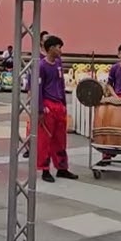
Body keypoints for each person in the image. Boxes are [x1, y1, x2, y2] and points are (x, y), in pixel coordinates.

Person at [37, 34, 77, 182]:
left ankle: (62, 168)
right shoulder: (41, 66)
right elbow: (38, 89)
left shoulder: (59, 64)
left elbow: (61, 84)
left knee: (61, 139)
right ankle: (45, 170)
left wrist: (64, 104)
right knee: (45, 140)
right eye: (59, 47)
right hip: (48, 105)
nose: (61, 50)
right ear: (51, 48)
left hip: (59, 105)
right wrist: (40, 109)